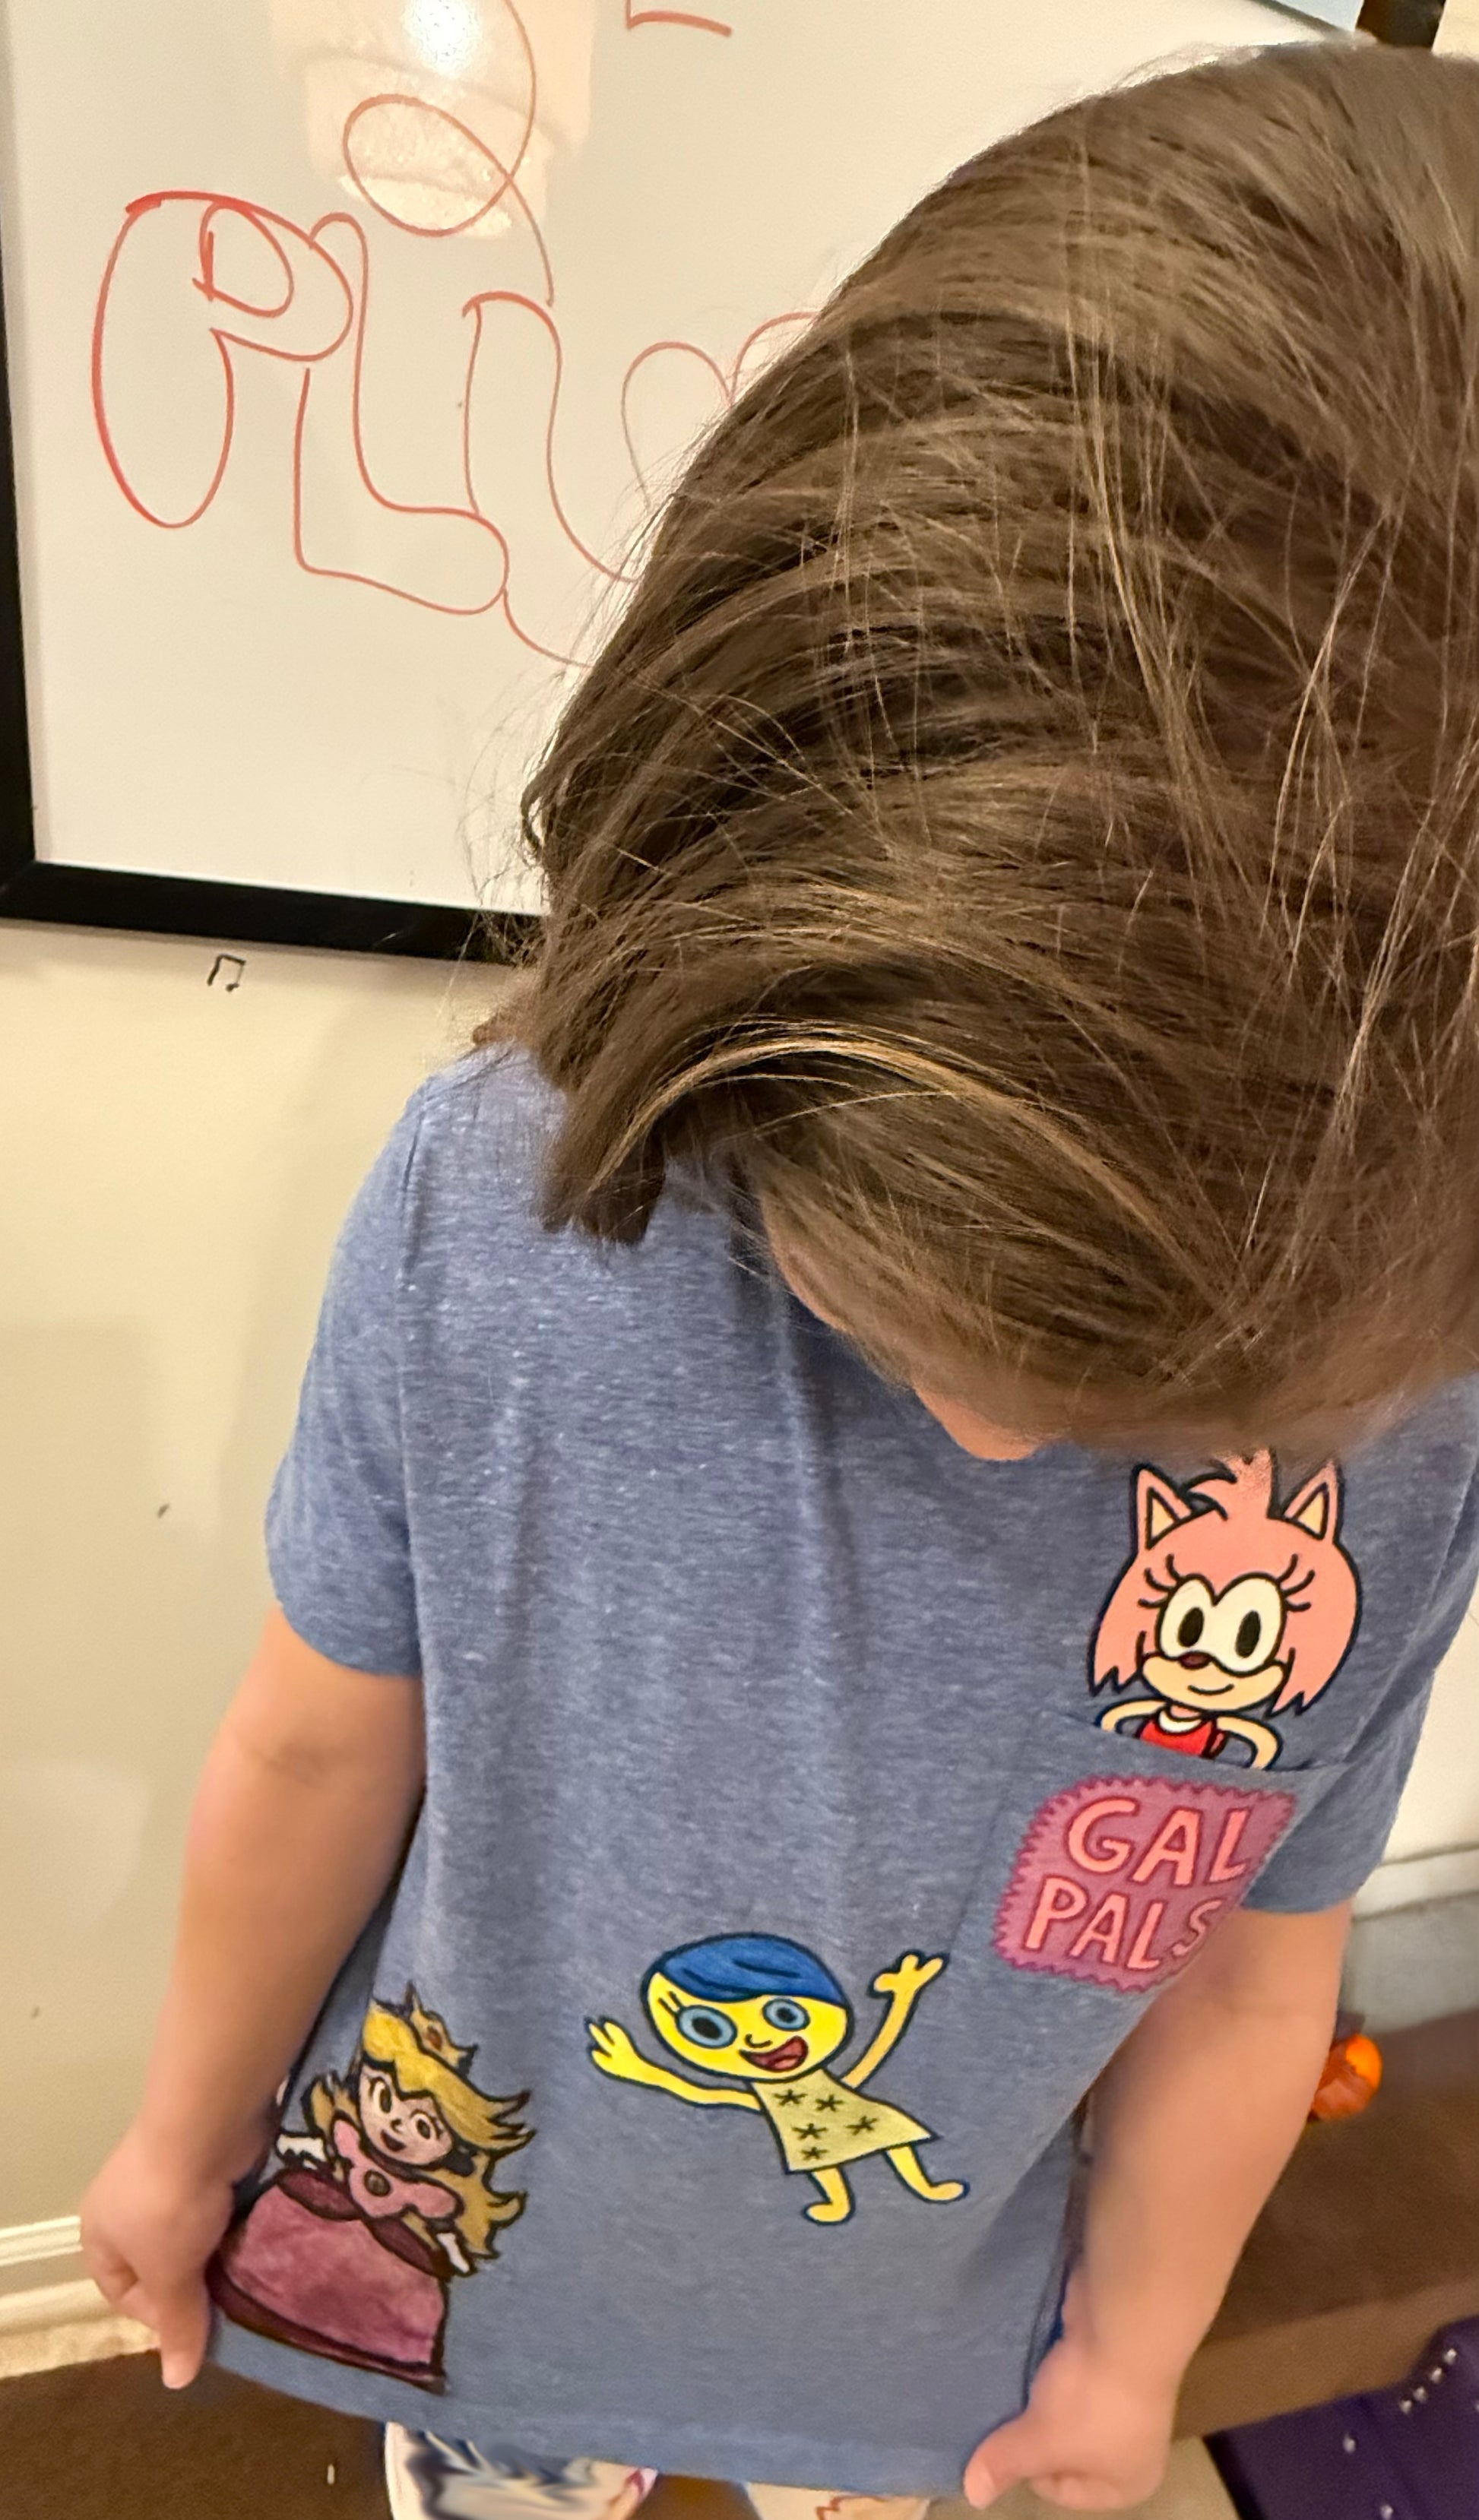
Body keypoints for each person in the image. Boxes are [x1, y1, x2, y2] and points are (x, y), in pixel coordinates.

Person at [81, 41, 1479, 2516]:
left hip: (922, 2354)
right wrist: (186, 2141)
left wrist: (1127, 2356)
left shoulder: (1410, 1413)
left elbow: (1257, 1953)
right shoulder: (500, 1211)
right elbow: (315, 1749)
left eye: (1173, 1401)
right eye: (913, 1300)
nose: (1011, 1436)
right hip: (481, 2281)